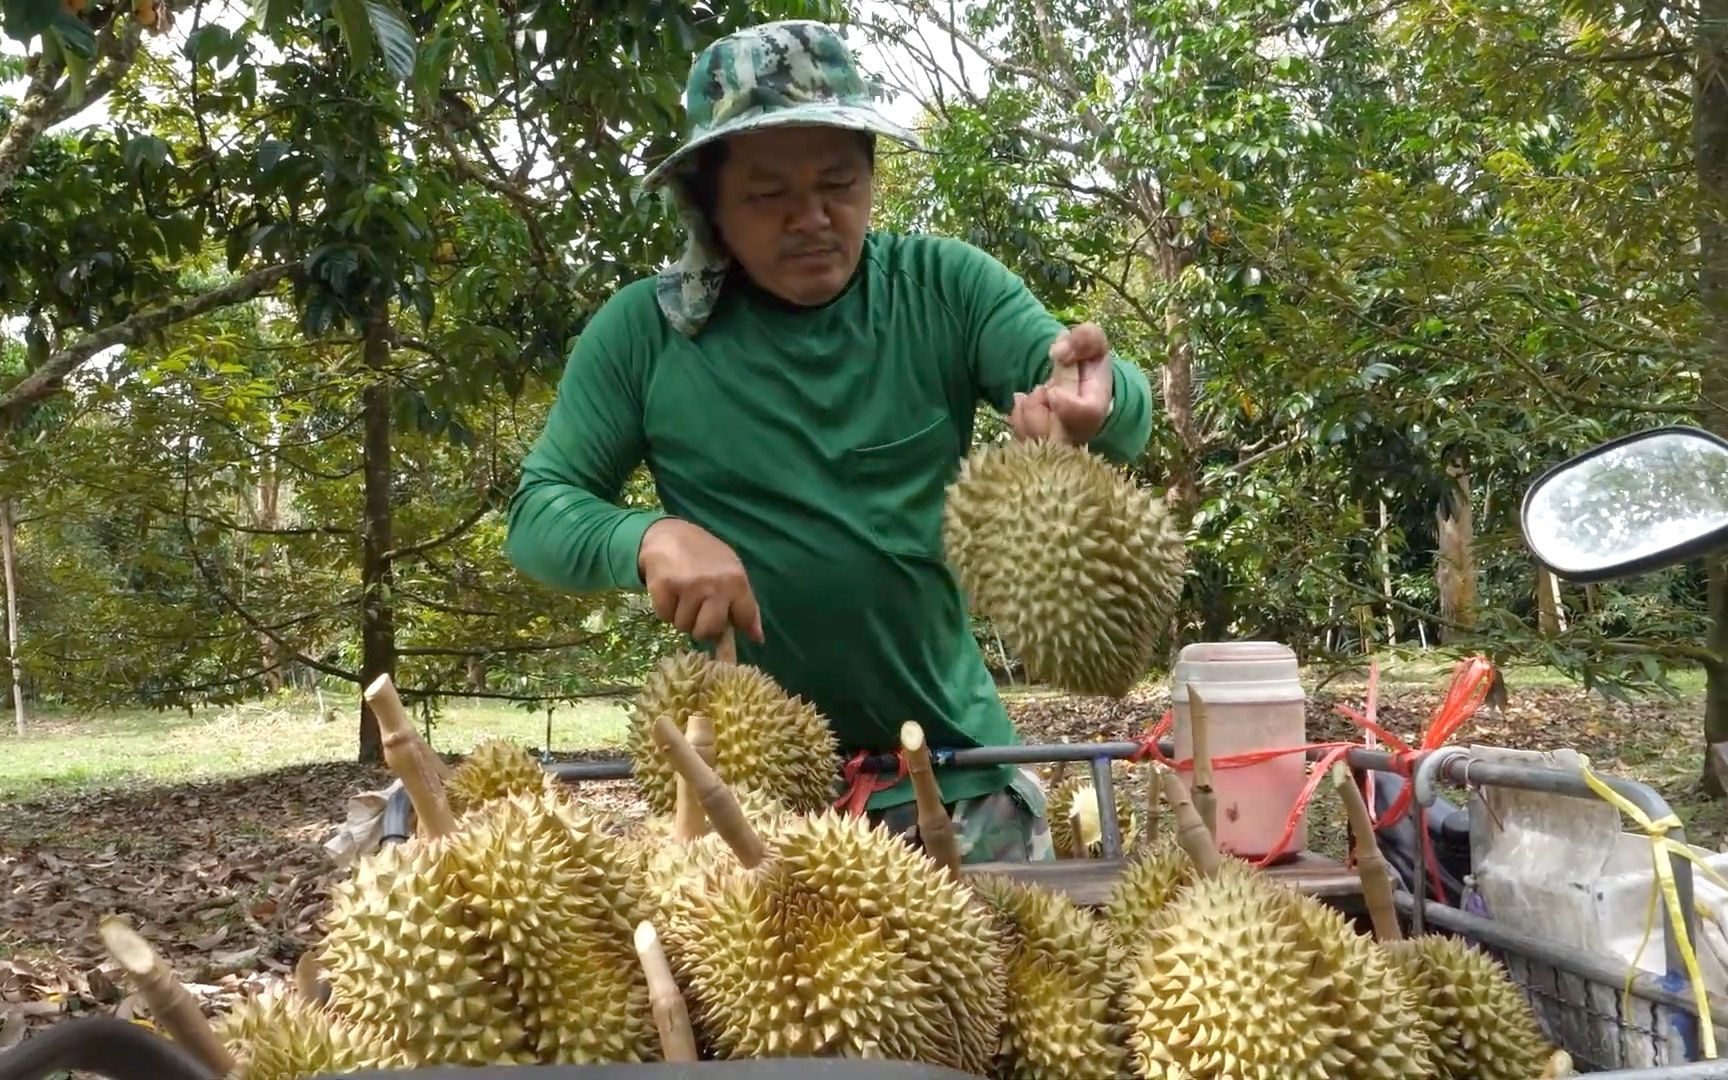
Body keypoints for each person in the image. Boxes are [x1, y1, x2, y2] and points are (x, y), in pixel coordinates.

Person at [503, 18, 1156, 863]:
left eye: (839, 185)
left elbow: (1099, 388)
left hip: (962, 780)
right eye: (769, 195)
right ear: (709, 208)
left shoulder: (943, 288)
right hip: (751, 806)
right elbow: (539, 513)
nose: (812, 219)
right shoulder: (647, 332)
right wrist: (646, 536)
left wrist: (1095, 402)